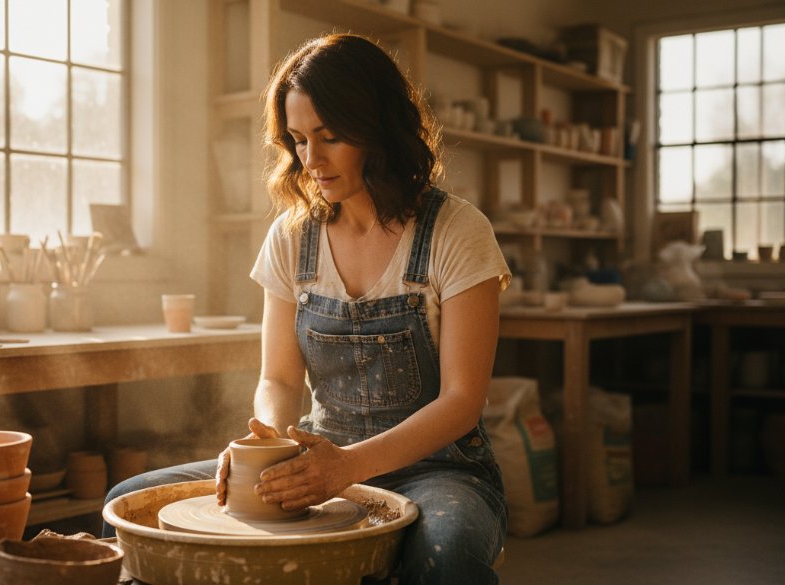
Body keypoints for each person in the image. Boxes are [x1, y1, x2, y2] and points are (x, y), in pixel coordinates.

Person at [104, 33, 510, 585]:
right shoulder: (293, 236)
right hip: (319, 459)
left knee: (446, 557)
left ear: (379, 128)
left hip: (437, 471)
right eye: (297, 139)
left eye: (330, 137)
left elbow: (463, 401)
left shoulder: (456, 230)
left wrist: (347, 468)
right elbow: (277, 377)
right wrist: (265, 444)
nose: (310, 160)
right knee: (128, 503)